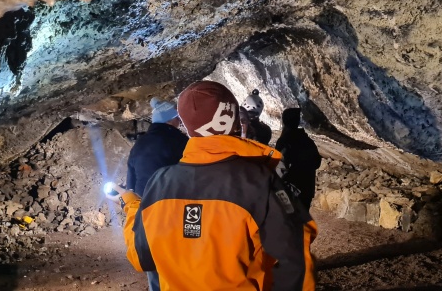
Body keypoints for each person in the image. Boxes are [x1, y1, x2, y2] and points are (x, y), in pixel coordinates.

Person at [109, 81, 317, 291]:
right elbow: (295, 254)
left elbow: (142, 256)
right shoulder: (259, 181)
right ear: (234, 119)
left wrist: (132, 205)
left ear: (187, 125)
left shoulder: (159, 184)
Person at [125, 96, 188, 290]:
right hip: (172, 207)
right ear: (170, 120)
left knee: (152, 253)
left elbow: (131, 179)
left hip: (145, 208)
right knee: (176, 258)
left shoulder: (140, 144)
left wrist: (129, 204)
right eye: (177, 117)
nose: (179, 121)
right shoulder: (179, 141)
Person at [275, 108, 322, 210]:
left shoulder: (285, 141)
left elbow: (281, 168)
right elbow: (317, 162)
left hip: (291, 191)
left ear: (284, 121)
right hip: (307, 190)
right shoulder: (307, 140)